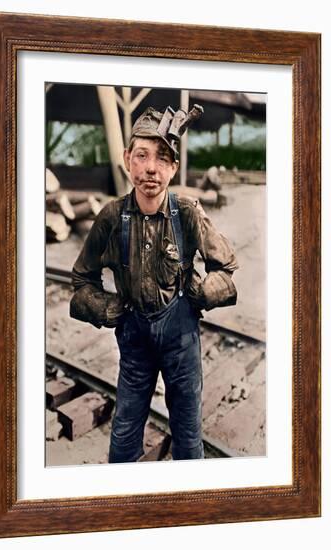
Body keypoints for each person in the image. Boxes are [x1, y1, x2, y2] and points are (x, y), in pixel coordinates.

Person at [70, 105, 238, 463]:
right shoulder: (111, 218)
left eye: (162, 159)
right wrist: (106, 307)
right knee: (125, 433)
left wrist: (203, 292)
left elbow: (226, 269)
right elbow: (81, 281)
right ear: (127, 159)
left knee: (188, 436)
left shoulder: (189, 212)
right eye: (142, 155)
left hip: (181, 342)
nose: (151, 168)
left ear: (173, 168)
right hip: (135, 344)